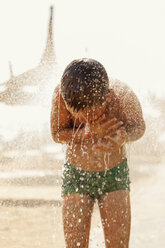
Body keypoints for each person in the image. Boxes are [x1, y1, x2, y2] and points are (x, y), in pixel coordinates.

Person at [50, 58, 145, 248]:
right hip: (76, 176)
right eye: (79, 114)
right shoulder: (62, 94)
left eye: (92, 113)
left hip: (114, 175)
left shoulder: (123, 95)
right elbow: (57, 134)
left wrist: (123, 137)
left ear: (108, 96)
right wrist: (87, 132)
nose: (87, 118)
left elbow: (139, 127)